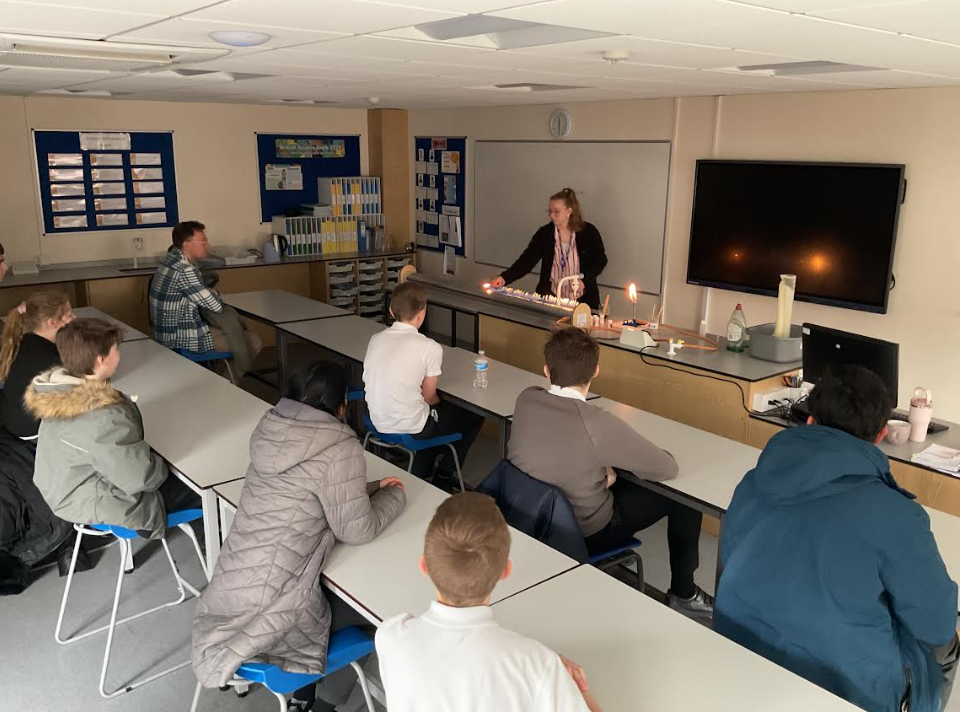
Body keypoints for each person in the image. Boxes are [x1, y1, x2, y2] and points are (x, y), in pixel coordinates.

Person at [714, 365, 959, 712]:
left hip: (737, 638)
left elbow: (729, 556)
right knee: (946, 647)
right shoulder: (894, 513)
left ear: (810, 422)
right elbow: (936, 623)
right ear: (881, 435)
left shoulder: (755, 479)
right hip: (841, 680)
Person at [192, 361, 406, 711]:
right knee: (381, 612)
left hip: (232, 588)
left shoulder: (270, 429)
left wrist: (367, 489)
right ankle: (315, 701)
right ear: (341, 406)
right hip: (277, 602)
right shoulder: (339, 446)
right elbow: (358, 530)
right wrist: (394, 496)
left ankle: (305, 699)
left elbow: (304, 491)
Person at [508, 327, 713, 618]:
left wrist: (604, 460)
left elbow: (561, 446)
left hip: (527, 517)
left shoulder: (526, 398)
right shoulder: (596, 423)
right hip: (580, 533)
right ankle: (684, 592)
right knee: (684, 498)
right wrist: (609, 456)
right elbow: (666, 467)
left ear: (545, 370)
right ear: (595, 372)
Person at [376, 492, 604, 712]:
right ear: (506, 570)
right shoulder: (537, 664)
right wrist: (572, 686)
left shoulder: (390, 635)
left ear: (424, 565)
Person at [25, 318, 198, 538]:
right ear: (101, 360)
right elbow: (141, 477)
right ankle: (216, 550)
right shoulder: (101, 416)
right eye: (117, 349)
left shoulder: (58, 392)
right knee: (202, 486)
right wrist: (161, 465)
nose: (120, 354)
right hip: (100, 501)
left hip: (65, 488)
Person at [363, 281, 483, 485]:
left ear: (392, 311)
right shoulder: (429, 347)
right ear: (422, 313)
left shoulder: (376, 338)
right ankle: (445, 472)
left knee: (436, 415)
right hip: (412, 427)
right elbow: (429, 397)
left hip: (377, 420)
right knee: (473, 414)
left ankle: (423, 467)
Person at [148, 220, 261, 379]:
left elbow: (191, 291)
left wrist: (207, 291)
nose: (207, 245)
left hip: (164, 333)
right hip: (183, 338)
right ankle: (226, 388)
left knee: (230, 334)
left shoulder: (169, 260)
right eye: (203, 241)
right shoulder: (185, 269)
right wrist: (213, 293)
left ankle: (215, 380)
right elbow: (215, 306)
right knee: (252, 341)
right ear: (187, 244)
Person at [488, 188, 607, 309]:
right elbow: (526, 261)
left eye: (556, 212)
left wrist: (584, 280)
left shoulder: (588, 232)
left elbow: (601, 261)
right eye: (549, 211)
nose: (551, 215)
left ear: (569, 211)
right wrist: (504, 278)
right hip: (550, 297)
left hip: (584, 300)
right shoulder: (545, 234)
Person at [0, 291, 74, 439]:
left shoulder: (21, 342)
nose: (74, 318)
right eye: (69, 315)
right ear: (52, 323)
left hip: (11, 421)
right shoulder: (53, 359)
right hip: (34, 432)